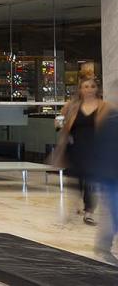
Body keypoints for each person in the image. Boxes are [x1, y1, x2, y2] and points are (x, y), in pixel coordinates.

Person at [53, 78, 108, 225]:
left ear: (96, 89)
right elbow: (59, 122)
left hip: (95, 149)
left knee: (90, 180)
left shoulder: (103, 106)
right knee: (76, 181)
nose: (89, 89)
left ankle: (89, 212)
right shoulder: (71, 106)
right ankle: (75, 206)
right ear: (80, 89)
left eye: (92, 86)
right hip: (75, 148)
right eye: (85, 86)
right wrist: (60, 123)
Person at [90, 104, 118, 263]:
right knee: (115, 212)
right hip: (111, 175)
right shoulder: (111, 117)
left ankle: (103, 246)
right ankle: (103, 247)